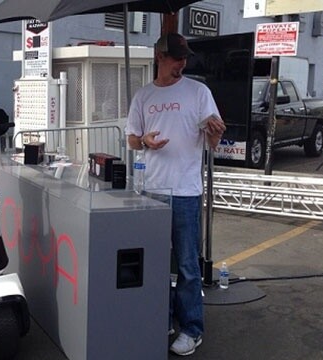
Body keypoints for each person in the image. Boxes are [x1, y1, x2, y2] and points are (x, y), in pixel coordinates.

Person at [125, 33, 226, 356]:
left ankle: (192, 328)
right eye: (175, 57)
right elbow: (131, 140)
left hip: (184, 191)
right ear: (159, 56)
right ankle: (162, 318)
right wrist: (145, 142)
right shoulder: (143, 96)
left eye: (184, 58)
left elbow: (212, 141)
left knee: (186, 264)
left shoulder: (199, 92)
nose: (181, 63)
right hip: (151, 189)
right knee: (155, 263)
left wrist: (215, 134)